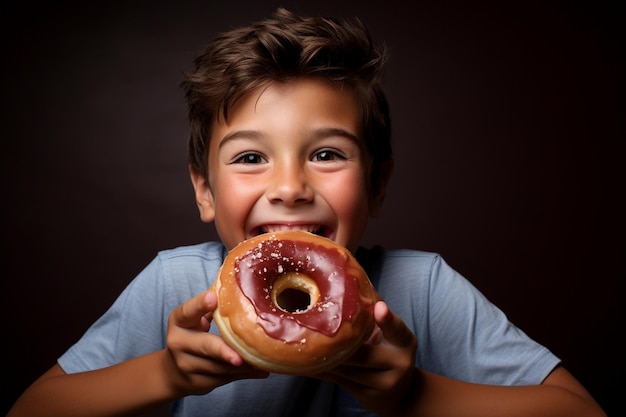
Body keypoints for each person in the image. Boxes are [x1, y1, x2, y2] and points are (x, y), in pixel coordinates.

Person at [7, 7, 606, 417]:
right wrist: (164, 376)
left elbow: (580, 410)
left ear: (377, 185)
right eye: (249, 157)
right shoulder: (176, 286)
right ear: (204, 191)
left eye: (325, 153)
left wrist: (414, 395)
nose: (290, 186)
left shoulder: (420, 288)